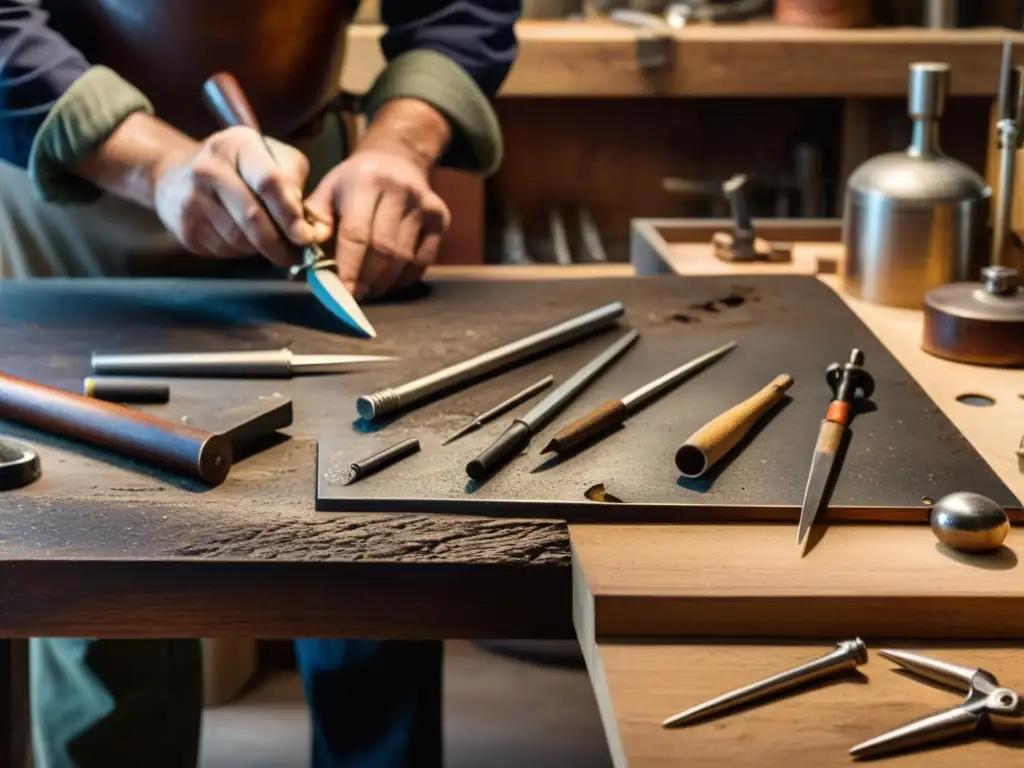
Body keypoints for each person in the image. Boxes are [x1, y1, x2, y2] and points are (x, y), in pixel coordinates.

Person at [0, 0, 520, 765]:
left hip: (308, 188)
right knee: (102, 585)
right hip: (76, 193)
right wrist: (154, 162)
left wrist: (399, 145)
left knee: (369, 548)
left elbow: (459, 8)